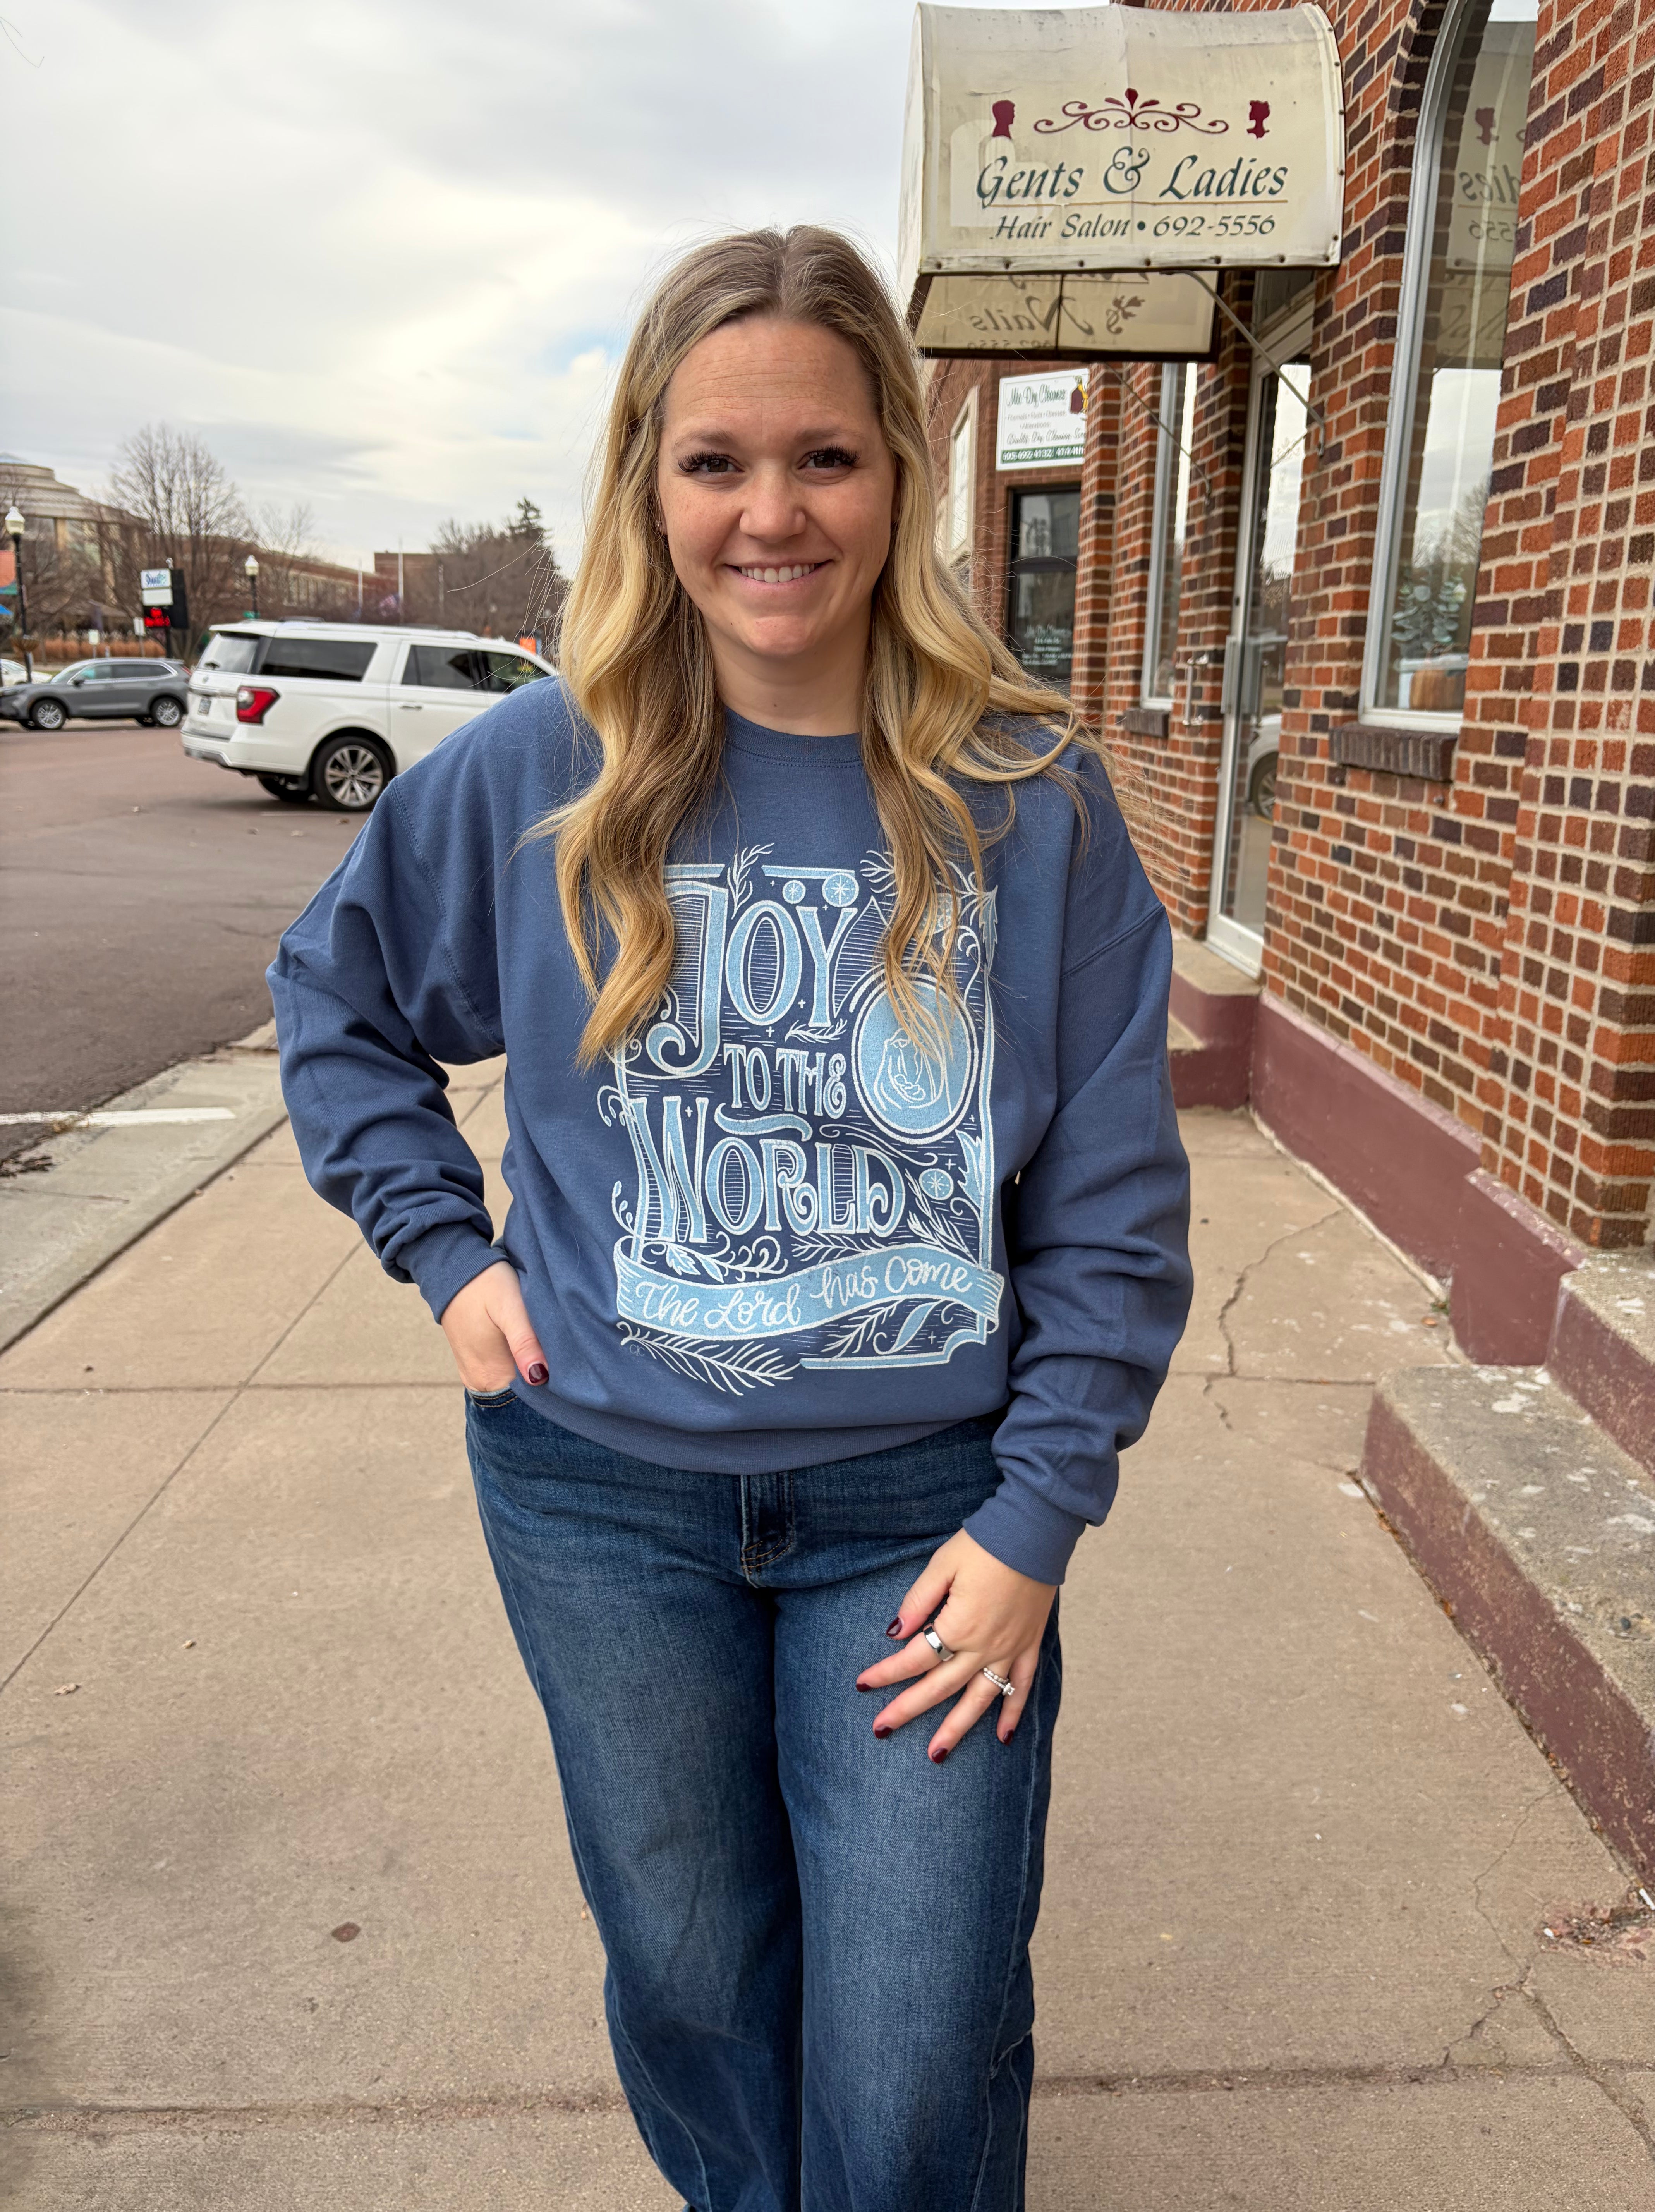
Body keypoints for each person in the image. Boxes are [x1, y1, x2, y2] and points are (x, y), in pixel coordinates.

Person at [270, 225, 1191, 2212]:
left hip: (930, 1514)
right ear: (648, 481)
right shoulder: (538, 772)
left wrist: (1038, 1518)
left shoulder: (1031, 794)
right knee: (692, 1978)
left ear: (899, 476)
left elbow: (1114, 1200)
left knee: (922, 2020)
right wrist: (448, 1253)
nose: (774, 514)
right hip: (601, 1506)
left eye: (828, 459)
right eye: (716, 463)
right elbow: (336, 1009)